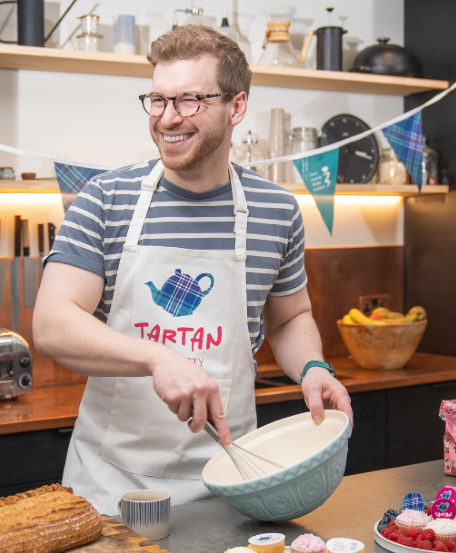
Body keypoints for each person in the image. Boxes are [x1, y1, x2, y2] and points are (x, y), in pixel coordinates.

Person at [33, 25, 352, 515]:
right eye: (157, 100)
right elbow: (53, 323)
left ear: (236, 107)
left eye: (188, 100)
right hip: (110, 490)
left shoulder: (277, 210)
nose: (166, 119)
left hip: (231, 481)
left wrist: (312, 367)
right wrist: (158, 359)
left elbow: (289, 318)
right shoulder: (105, 198)